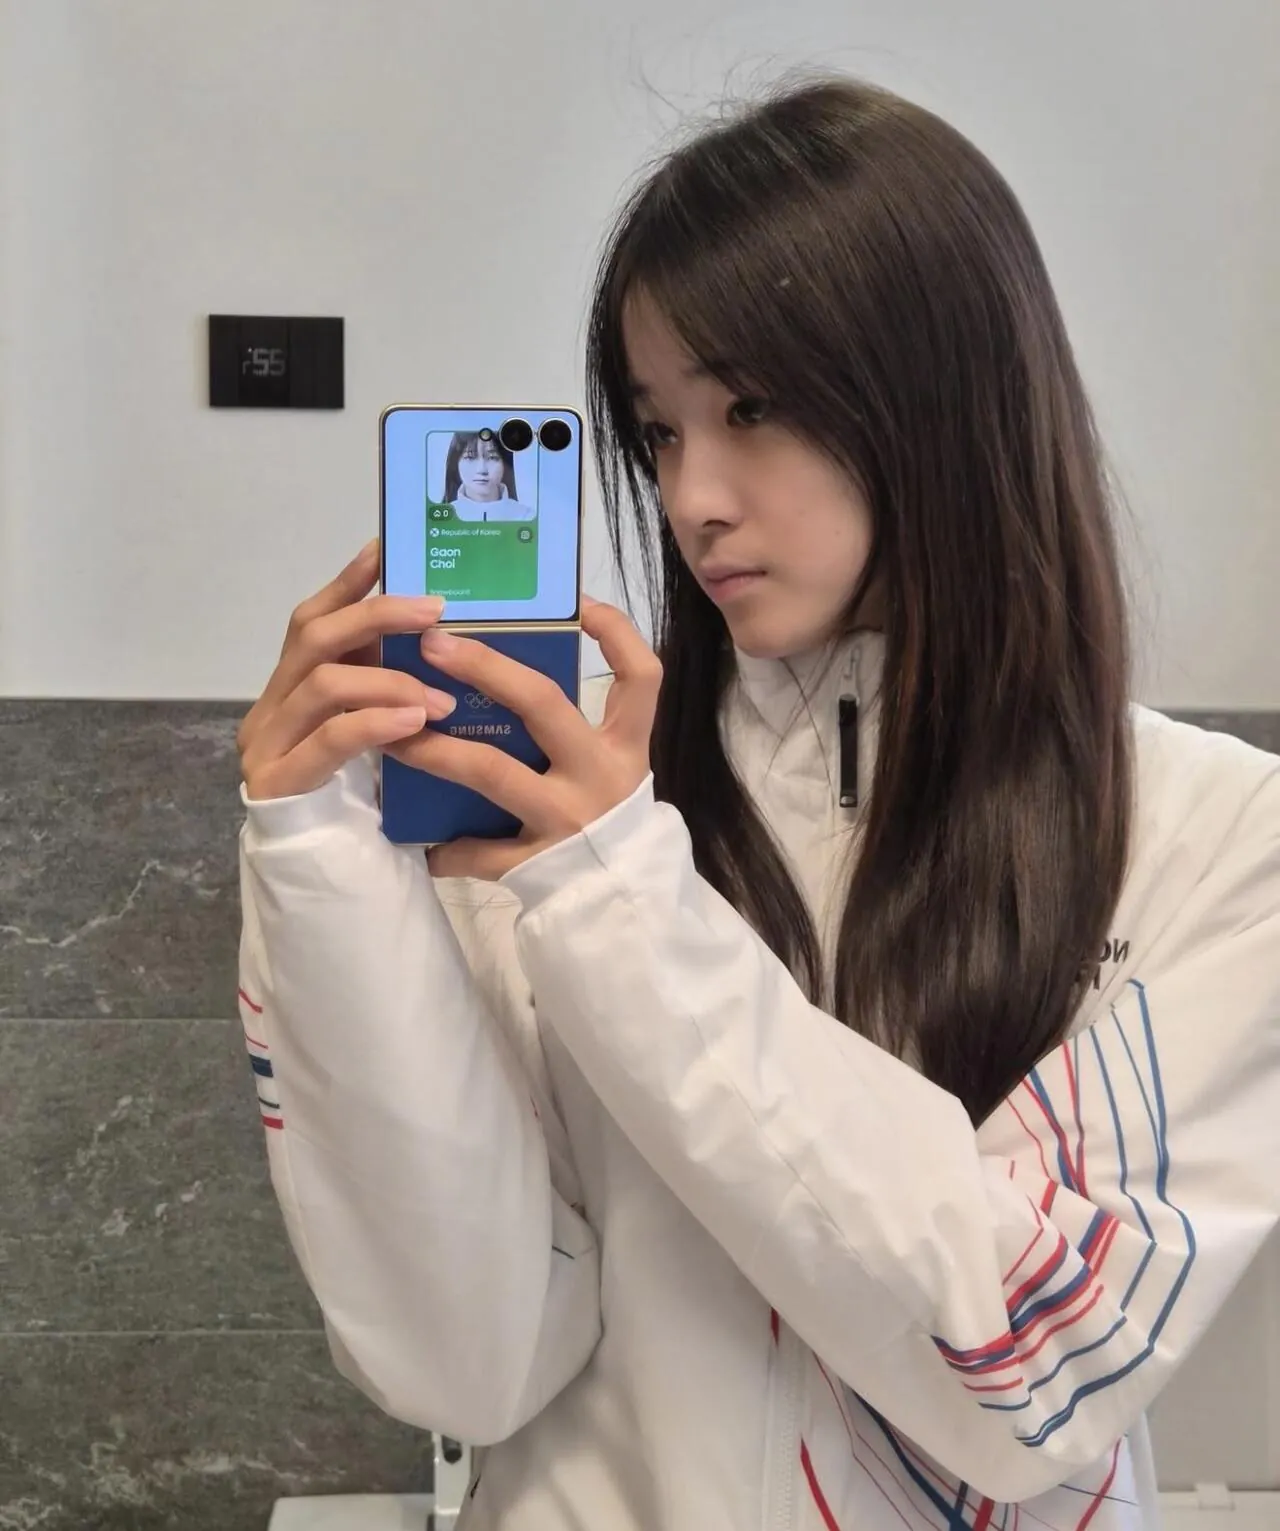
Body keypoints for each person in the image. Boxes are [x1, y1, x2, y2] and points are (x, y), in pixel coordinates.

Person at [234, 78, 1280, 1531]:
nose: (692, 497)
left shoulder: (1214, 834)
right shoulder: (569, 817)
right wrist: (317, 865)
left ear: (944, 391)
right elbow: (469, 1360)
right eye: (658, 430)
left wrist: (619, 905)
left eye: (752, 407)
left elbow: (1031, 1365)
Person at [443, 428, 537, 521]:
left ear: (505, 464)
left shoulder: (527, 517)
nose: (482, 469)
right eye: (470, 457)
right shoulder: (441, 518)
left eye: (492, 457)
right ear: (456, 463)